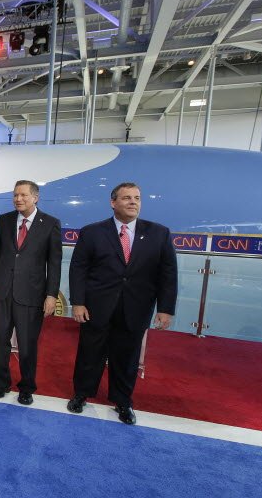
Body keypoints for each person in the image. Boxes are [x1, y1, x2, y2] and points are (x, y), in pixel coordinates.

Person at [67, 182, 177, 425]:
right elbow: (78, 270)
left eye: (137, 198)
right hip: (96, 307)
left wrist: (165, 309)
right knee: (89, 353)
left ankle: (123, 401)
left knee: (127, 357)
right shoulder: (92, 232)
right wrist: (78, 302)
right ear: (113, 202)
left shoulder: (159, 233)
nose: (133, 202)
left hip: (136, 308)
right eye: (127, 197)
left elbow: (168, 274)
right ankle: (81, 394)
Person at [0, 180, 62, 405]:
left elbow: (54, 263)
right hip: (2, 291)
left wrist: (51, 295)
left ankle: (27, 387)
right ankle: (1, 383)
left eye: (23, 195)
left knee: (28, 343)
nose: (18, 199)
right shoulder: (5, 220)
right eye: (15, 195)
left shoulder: (50, 223)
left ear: (35, 197)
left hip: (31, 294)